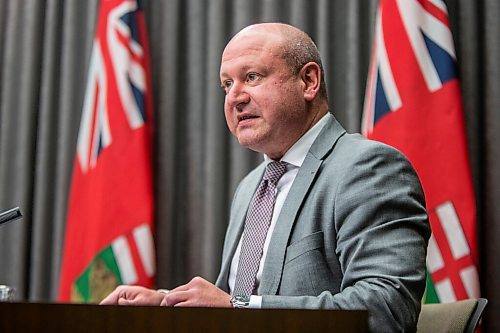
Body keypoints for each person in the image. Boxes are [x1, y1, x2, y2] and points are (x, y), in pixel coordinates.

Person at [100, 22, 431, 332]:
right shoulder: (251, 188)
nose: (235, 97)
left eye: (252, 76)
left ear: (308, 82)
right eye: (227, 84)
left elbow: (388, 309)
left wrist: (238, 307)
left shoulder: (367, 167)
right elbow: (232, 303)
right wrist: (169, 304)